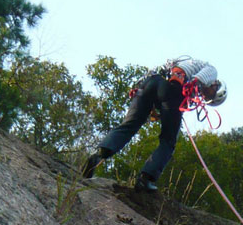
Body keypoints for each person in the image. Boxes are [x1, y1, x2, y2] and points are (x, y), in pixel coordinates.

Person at [82, 57, 226, 191]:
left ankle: (98, 154)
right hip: (172, 89)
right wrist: (193, 83)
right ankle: (146, 178)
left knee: (129, 126)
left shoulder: (184, 63)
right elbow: (202, 76)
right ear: (216, 84)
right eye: (210, 94)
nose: (205, 96)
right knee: (169, 141)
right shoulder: (211, 71)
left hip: (150, 83)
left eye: (208, 99)